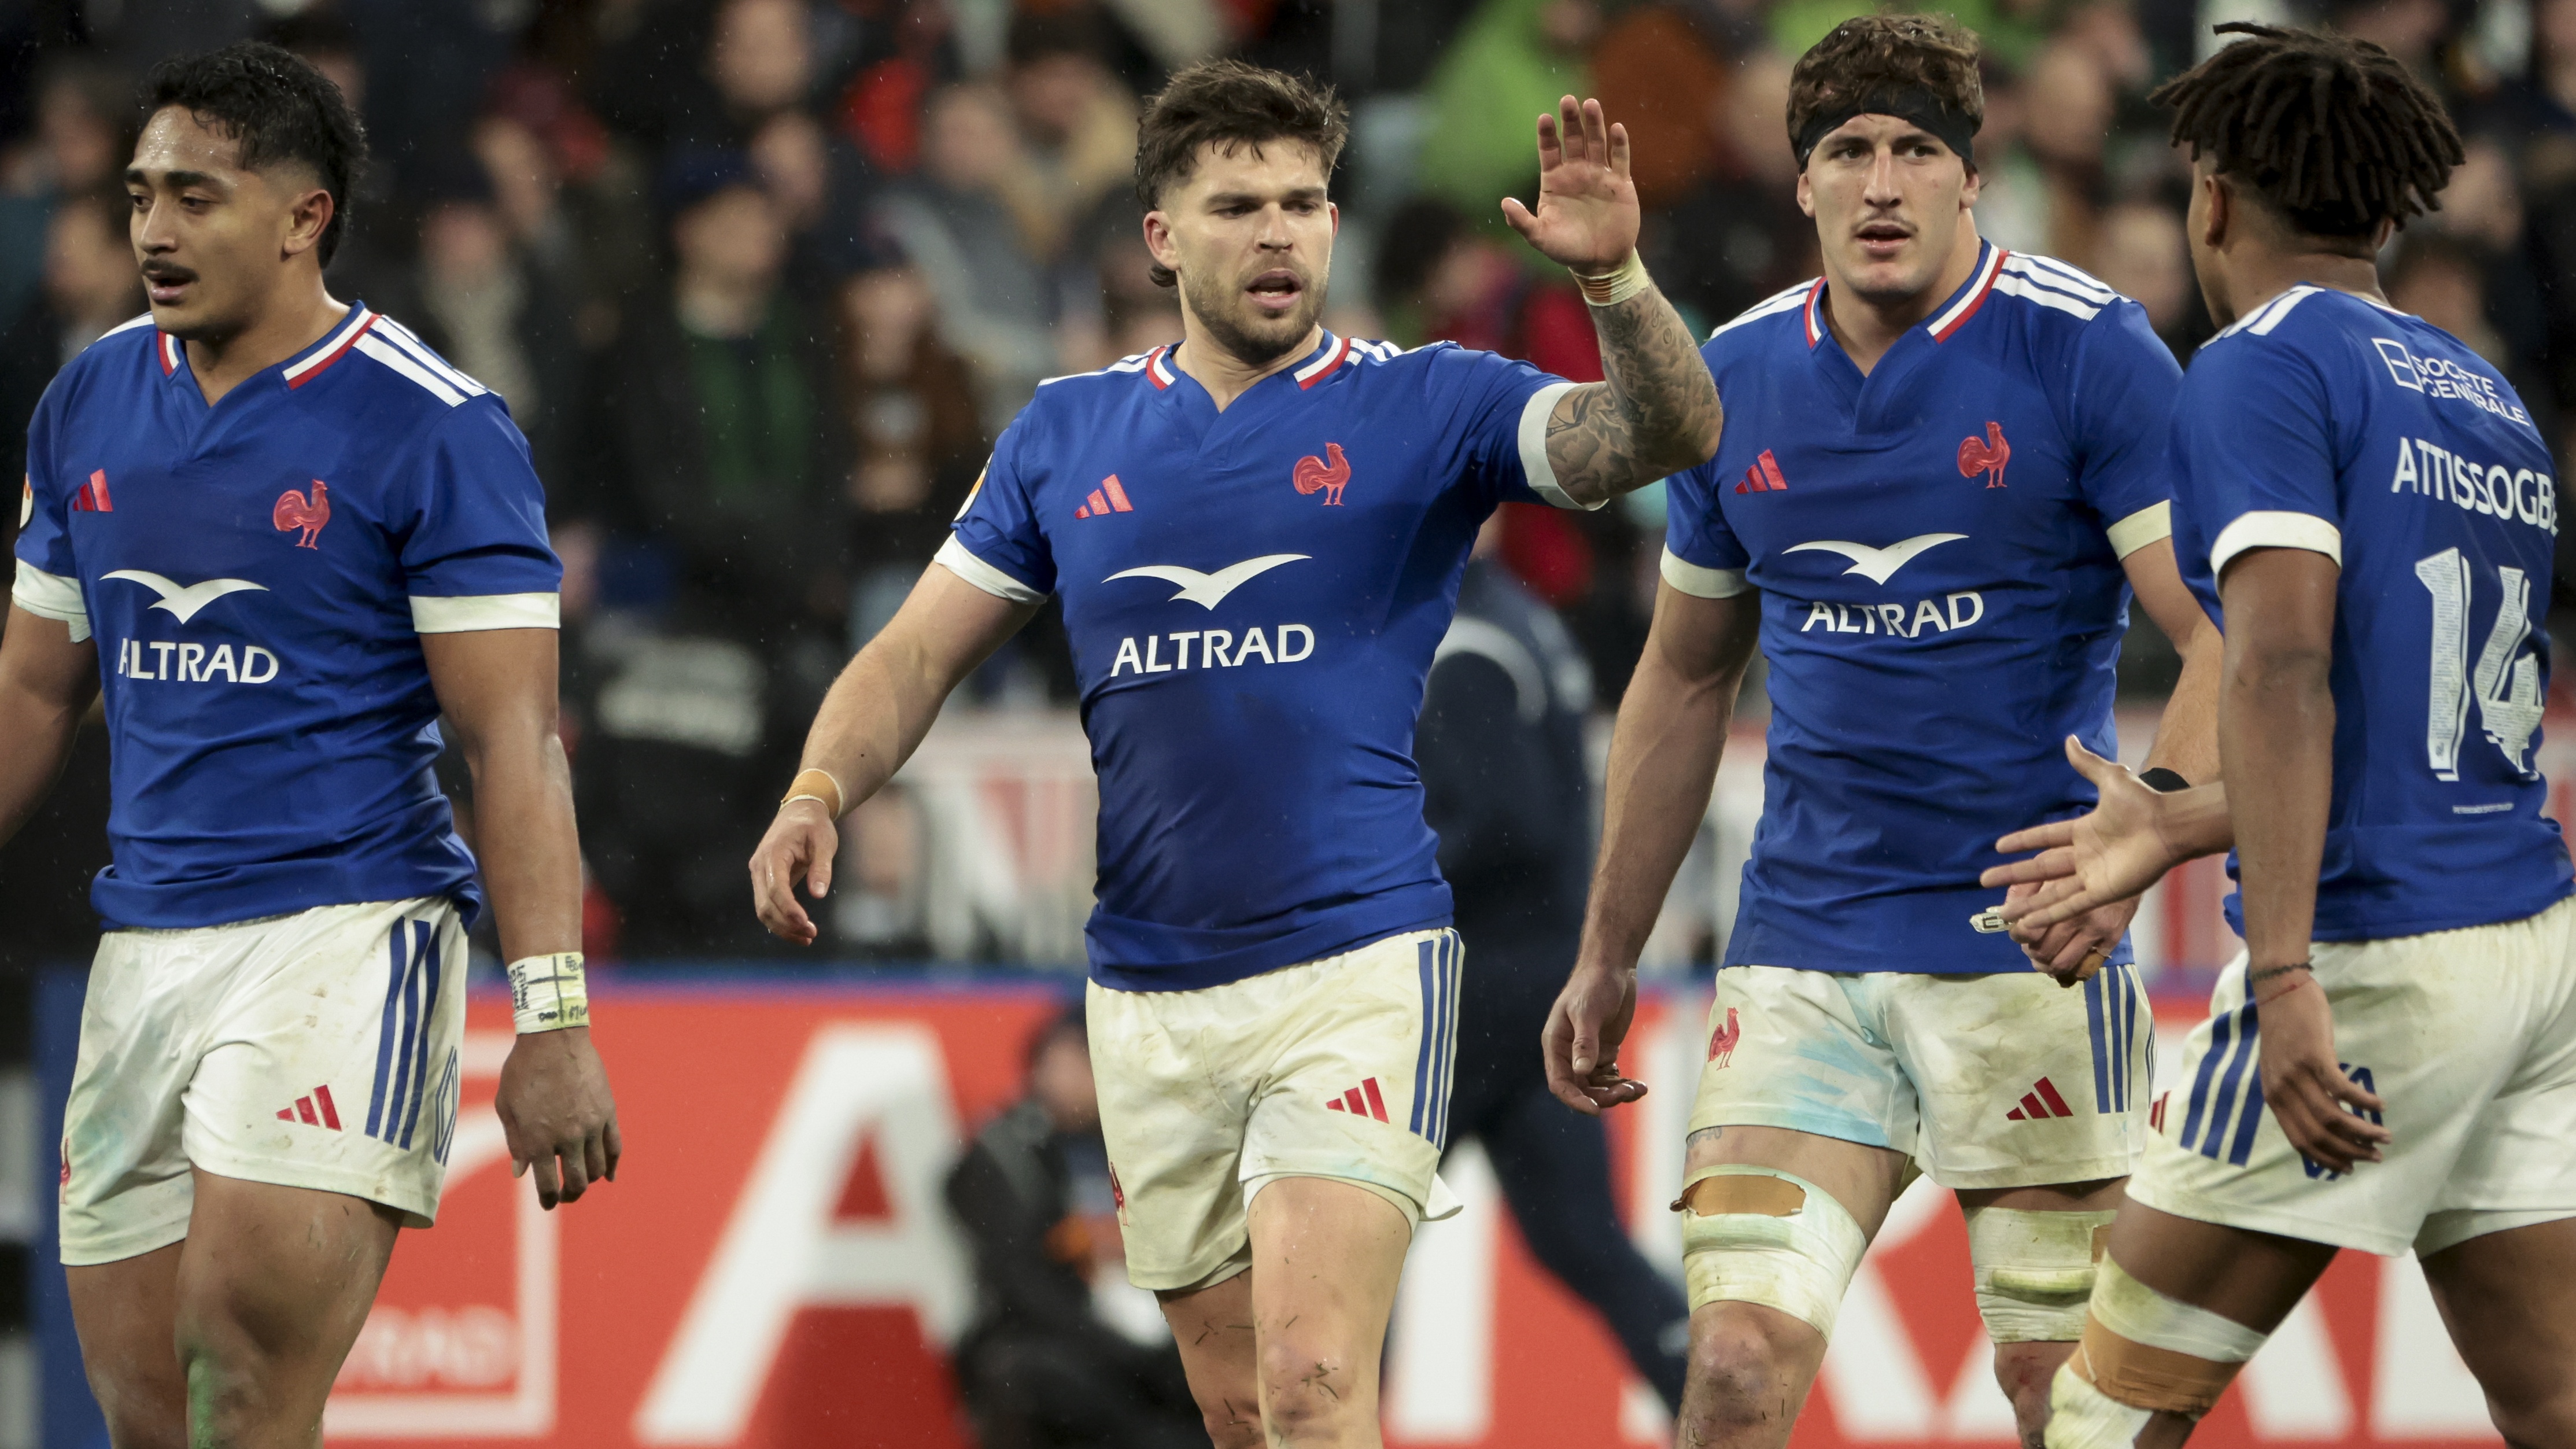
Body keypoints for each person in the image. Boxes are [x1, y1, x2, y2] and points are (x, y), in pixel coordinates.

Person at [749, 59, 1722, 1449]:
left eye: (1304, 202)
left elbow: (1668, 432)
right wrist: (816, 786)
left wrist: (1618, 282)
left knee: (1318, 1378)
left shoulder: (1424, 402)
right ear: (1160, 236)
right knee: (1241, 1408)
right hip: (1147, 991)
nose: (1279, 232)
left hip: (1356, 969)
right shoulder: (1060, 434)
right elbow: (910, 654)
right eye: (1237, 205)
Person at [1542, 14, 2223, 1446]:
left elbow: (2227, 630)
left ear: (1970, 177)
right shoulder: (1729, 378)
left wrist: (2145, 821)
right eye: (1846, 152)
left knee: (2074, 1402)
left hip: (2027, 947)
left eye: (1916, 149)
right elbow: (1679, 678)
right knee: (1729, 1363)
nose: (1880, 182)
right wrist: (1607, 945)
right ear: (1800, 186)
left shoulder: (2087, 349)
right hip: (1808, 954)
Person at [0, 43, 618, 1443]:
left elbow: (512, 740)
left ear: (302, 217)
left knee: (242, 1357)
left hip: (344, 930)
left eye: (199, 196)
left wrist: (555, 1016)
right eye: (144, 191)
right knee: (151, 1409)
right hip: (143, 944)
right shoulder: (87, 401)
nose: (156, 228)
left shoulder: (434, 427)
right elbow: (36, 686)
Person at [1973, 26, 2576, 1447]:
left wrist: (2290, 968)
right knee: (2554, 1398)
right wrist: (2176, 823)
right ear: (2385, 210)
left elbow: (2287, 656)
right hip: (2529, 949)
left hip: (2369, 966)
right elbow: (2402, 726)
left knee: (2099, 1416)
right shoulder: (2484, 394)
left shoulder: (2258, 366)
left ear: (2212, 197)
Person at [1417, 525, 1691, 1410]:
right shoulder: (1526, 621)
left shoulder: (1465, 645)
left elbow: (1504, 823)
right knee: (1584, 1243)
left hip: (1477, 985)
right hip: (1544, 978)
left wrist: (1377, 877)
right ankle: (1713, 1401)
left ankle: (1322, 1429)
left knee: (1357, 1229)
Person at [947, 1007, 1205, 1449]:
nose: (1062, 1080)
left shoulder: (1157, 1141)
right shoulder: (1009, 1153)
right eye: (1054, 1063)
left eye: (1081, 1064)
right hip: (1064, 1342)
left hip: (1160, 1337)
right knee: (1025, 1376)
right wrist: (1122, 1353)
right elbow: (1021, 1286)